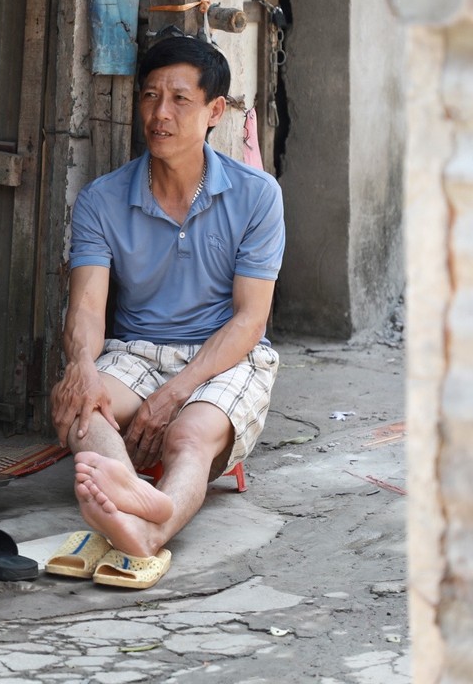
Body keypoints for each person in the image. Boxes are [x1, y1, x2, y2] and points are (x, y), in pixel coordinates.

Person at [51, 36, 285, 560]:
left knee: (189, 437)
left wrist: (176, 392)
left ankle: (152, 529)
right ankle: (137, 503)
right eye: (150, 96)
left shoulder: (257, 195)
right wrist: (83, 364)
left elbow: (249, 321)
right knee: (80, 409)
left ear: (214, 111)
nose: (160, 113)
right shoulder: (103, 199)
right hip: (137, 350)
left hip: (223, 355)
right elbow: (87, 307)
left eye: (180, 99)